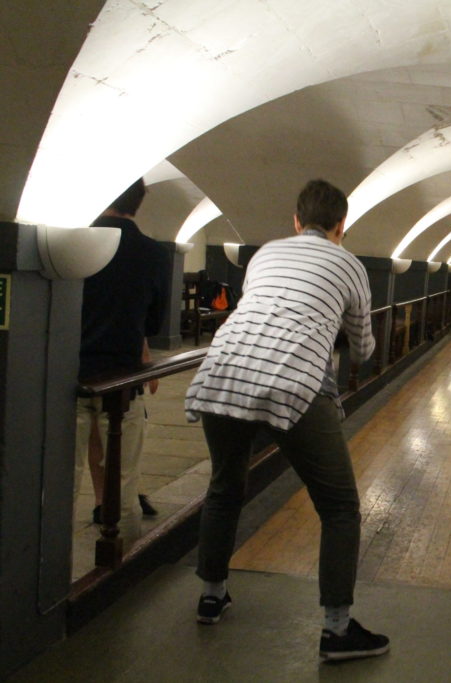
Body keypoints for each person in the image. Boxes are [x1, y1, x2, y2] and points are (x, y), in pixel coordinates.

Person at [184, 179, 389, 662]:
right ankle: (337, 631)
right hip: (294, 383)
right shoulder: (349, 264)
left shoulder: (265, 255)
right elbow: (362, 347)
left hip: (222, 372)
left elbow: (261, 309)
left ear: (295, 221)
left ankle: (211, 596)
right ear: (342, 226)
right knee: (339, 507)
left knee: (224, 487)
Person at [75, 178, 169, 540]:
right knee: (125, 479)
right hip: (123, 377)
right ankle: (118, 564)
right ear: (139, 202)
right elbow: (154, 323)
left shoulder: (75, 241)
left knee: (60, 482)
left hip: (72, 374)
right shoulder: (154, 253)